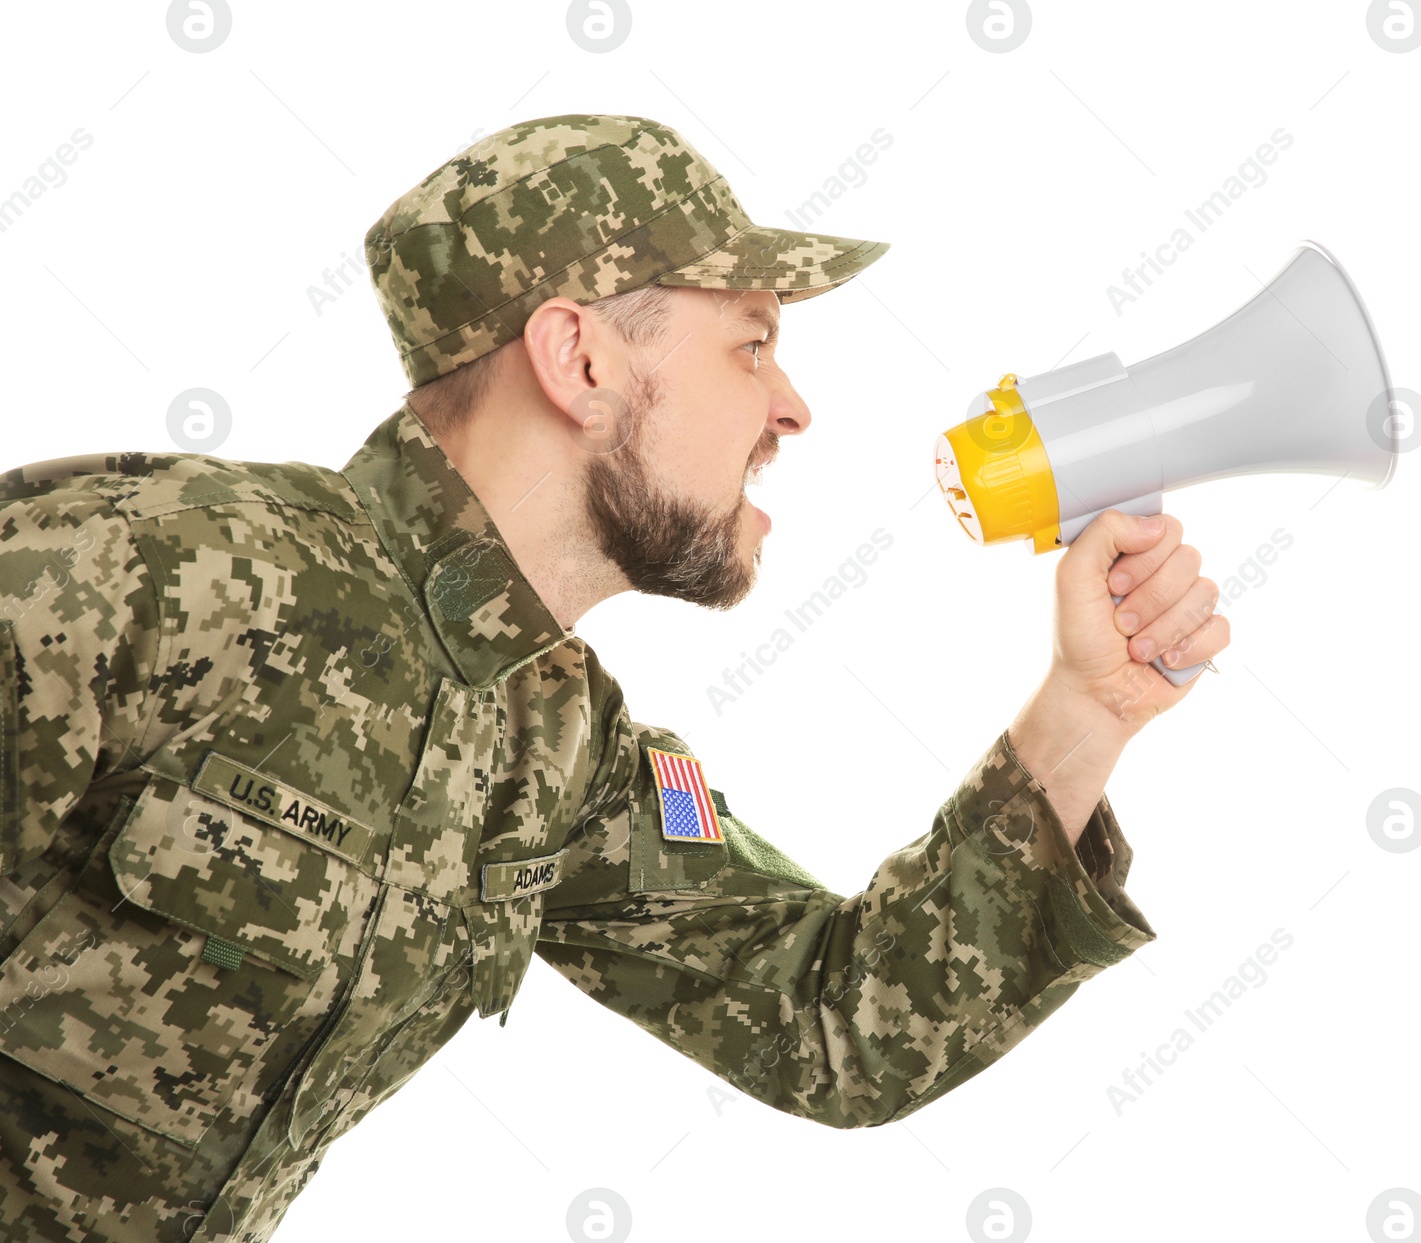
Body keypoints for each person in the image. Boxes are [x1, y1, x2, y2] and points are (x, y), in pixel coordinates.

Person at [0, 113, 1228, 1242]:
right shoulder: (145, 566)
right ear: (578, 360)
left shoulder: (557, 746)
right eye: (752, 343)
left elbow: (832, 1023)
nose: (793, 408)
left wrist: (1086, 710)